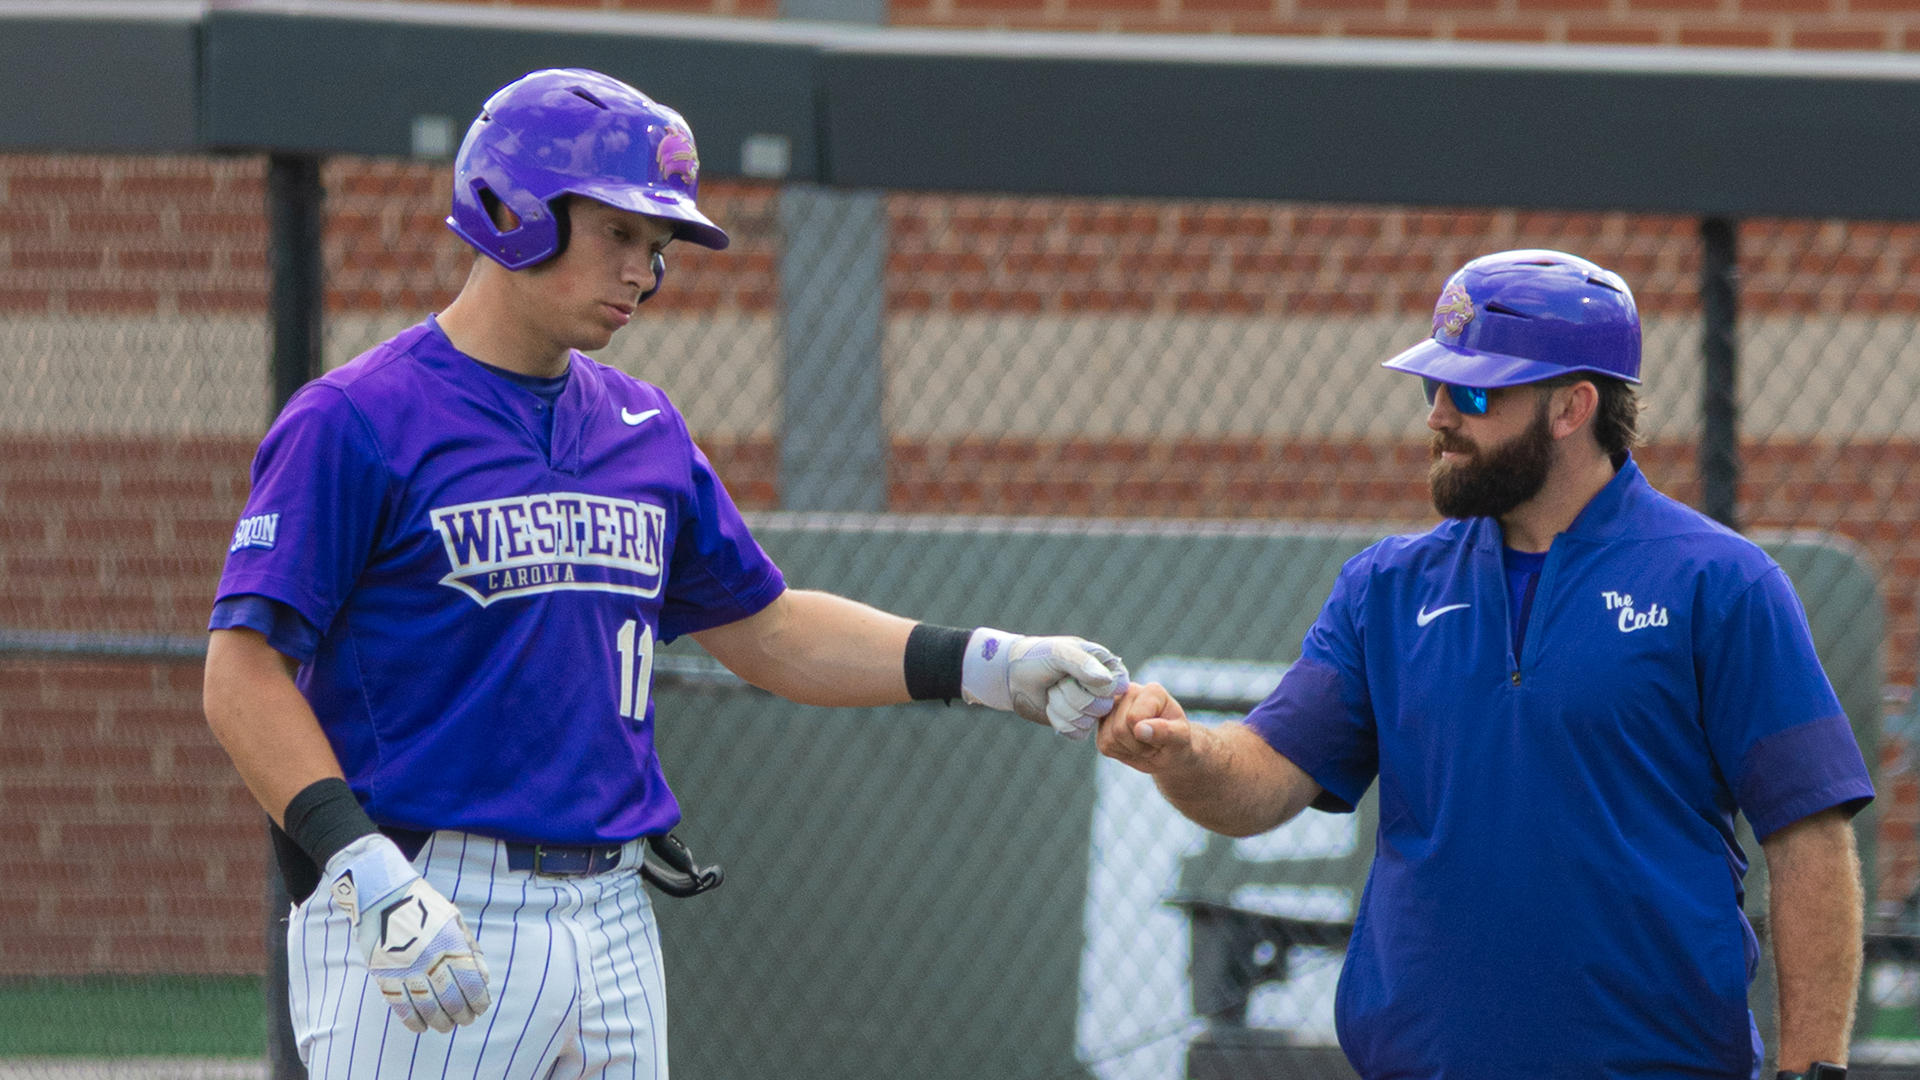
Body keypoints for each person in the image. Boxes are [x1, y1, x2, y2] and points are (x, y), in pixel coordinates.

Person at [202, 68, 1127, 1079]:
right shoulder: (357, 419)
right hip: (425, 895)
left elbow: (769, 631)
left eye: (658, 247)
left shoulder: (642, 428)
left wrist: (989, 665)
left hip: (612, 911)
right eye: (619, 234)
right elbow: (242, 672)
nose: (643, 271)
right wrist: (359, 866)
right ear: (512, 209)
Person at [1097, 250, 1873, 1080]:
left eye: (1472, 392)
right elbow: (1263, 778)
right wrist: (1183, 753)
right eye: (1431, 387)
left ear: (1573, 406)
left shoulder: (1721, 584)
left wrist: (1812, 1071)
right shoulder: (1386, 587)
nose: (1437, 415)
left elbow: (1809, 840)